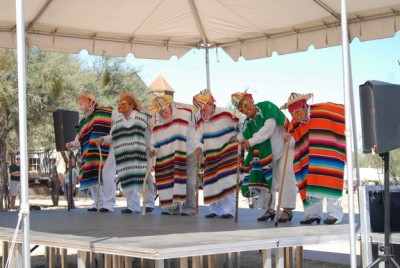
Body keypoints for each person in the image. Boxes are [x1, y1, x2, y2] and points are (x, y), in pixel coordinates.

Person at [231, 92, 298, 222]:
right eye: (241, 109)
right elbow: (244, 134)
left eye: (245, 104)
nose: (245, 110)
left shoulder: (267, 106)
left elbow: (268, 128)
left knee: (287, 174)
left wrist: (250, 142)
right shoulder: (248, 122)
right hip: (269, 153)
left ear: (251, 100)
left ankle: (287, 210)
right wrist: (235, 140)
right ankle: (270, 209)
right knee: (269, 180)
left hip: (285, 145)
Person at [280, 92, 346, 224]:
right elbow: (292, 140)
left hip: (328, 152)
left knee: (330, 178)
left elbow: (342, 113)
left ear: (305, 105)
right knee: (310, 182)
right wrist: (288, 137)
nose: (296, 116)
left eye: (298, 111)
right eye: (293, 113)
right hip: (308, 158)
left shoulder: (323, 110)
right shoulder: (295, 123)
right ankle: (312, 214)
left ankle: (335, 214)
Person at [96, 90, 153, 214]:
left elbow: (152, 133)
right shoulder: (117, 121)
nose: (120, 105)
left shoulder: (143, 118)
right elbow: (113, 136)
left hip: (141, 152)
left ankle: (144, 204)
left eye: (124, 103)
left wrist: (152, 149)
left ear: (132, 105)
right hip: (123, 152)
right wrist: (103, 139)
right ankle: (132, 206)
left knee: (141, 177)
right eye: (119, 103)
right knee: (126, 176)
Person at [192, 89, 245, 218]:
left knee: (228, 180)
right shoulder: (200, 118)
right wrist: (199, 146)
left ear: (211, 105)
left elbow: (245, 122)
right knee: (212, 182)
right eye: (200, 109)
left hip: (228, 152)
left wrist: (239, 136)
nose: (202, 112)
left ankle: (229, 210)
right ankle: (215, 210)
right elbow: (197, 137)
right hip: (211, 154)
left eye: (204, 109)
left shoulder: (227, 114)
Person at [148, 95, 197, 216]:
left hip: (189, 150)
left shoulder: (185, 113)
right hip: (170, 155)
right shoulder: (158, 121)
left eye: (165, 111)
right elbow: (157, 138)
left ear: (170, 106)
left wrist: (199, 146)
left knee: (189, 181)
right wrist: (153, 149)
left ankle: (189, 207)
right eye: (161, 113)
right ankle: (171, 207)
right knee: (169, 178)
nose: (163, 115)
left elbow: (196, 129)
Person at [66, 93, 113, 212]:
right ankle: (96, 203)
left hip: (101, 150)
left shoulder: (100, 113)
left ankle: (106, 204)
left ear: (91, 102)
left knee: (102, 176)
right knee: (91, 177)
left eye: (83, 101)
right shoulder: (83, 122)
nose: (81, 104)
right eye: (80, 102)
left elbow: (113, 117)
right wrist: (71, 144)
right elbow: (79, 139)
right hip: (87, 152)